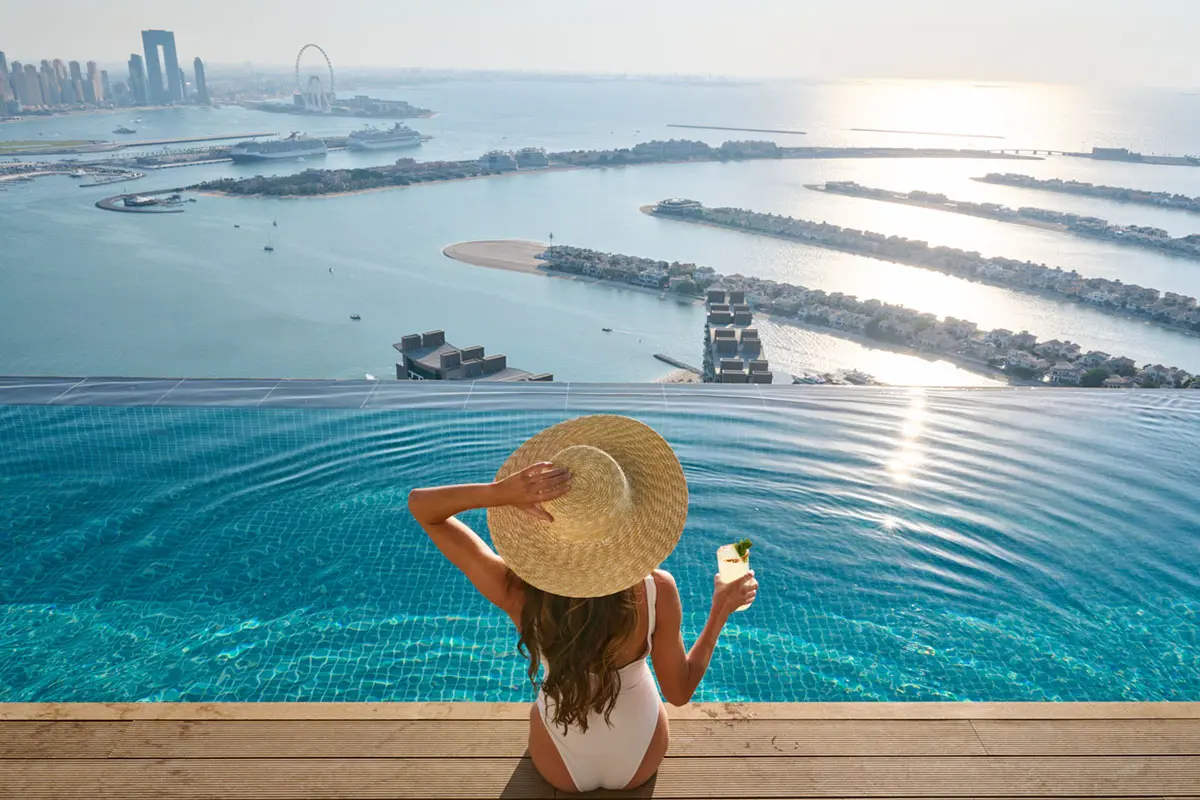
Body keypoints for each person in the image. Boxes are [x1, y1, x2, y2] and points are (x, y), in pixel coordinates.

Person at [408, 414, 758, 793]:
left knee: (539, 710)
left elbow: (422, 508)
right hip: (639, 757)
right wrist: (720, 609)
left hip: (559, 764)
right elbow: (678, 692)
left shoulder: (518, 592)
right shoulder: (657, 589)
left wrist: (500, 493)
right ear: (629, 517)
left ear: (548, 525)